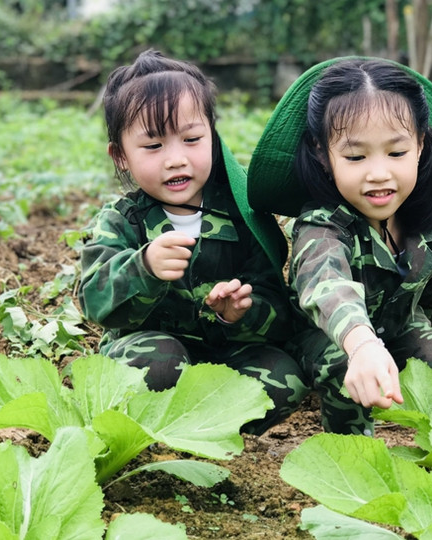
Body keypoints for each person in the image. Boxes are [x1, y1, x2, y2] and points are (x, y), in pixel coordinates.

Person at [77, 50, 308, 434]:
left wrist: (238, 313)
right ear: (120, 156)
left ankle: (212, 432)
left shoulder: (243, 215)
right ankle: (164, 432)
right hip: (154, 349)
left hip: (228, 352)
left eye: (192, 139)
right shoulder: (121, 221)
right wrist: (144, 267)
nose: (176, 159)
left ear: (213, 140)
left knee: (285, 376)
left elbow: (279, 311)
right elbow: (93, 300)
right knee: (159, 362)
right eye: (153, 146)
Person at [246, 57, 432, 436]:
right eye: (355, 157)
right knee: (344, 365)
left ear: (420, 145)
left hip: (397, 325)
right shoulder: (321, 227)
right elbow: (327, 288)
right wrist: (362, 345)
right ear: (324, 155)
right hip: (327, 337)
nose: (378, 173)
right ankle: (355, 454)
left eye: (396, 152)